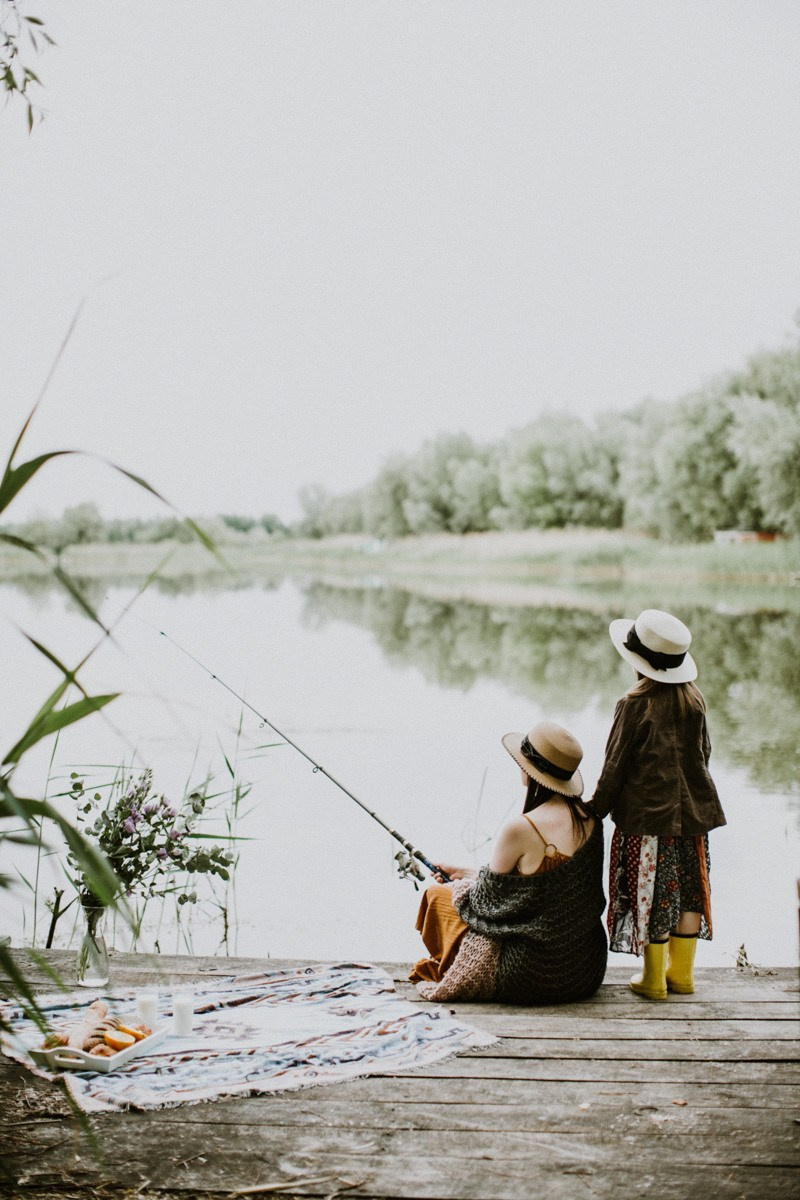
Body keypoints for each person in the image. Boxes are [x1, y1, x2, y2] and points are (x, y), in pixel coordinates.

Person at [409, 721, 607, 1004]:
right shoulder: (591, 821)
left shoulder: (521, 828)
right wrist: (468, 873)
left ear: (530, 770)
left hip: (530, 974)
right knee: (452, 893)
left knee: (436, 896)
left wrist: (461, 886)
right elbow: (540, 893)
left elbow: (486, 905)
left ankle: (449, 967)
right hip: (584, 970)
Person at [591, 608, 726, 1000]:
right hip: (693, 819)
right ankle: (681, 975)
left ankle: (653, 979)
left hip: (647, 820)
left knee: (649, 892)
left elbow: (614, 767)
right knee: (687, 891)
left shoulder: (633, 704)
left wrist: (594, 810)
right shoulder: (694, 700)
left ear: (638, 662)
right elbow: (704, 755)